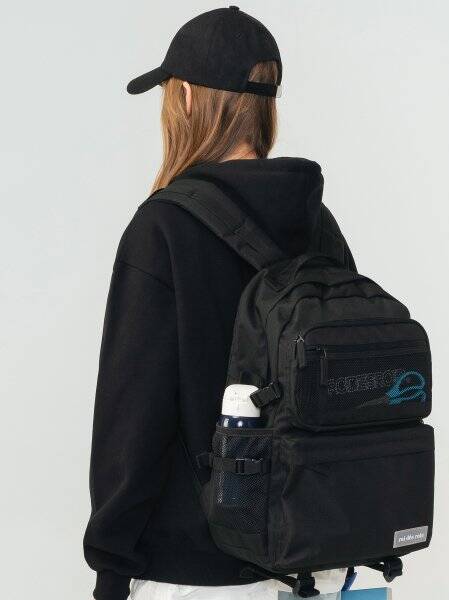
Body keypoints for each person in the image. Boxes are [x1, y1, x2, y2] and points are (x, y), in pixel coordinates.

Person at [84, 6, 346, 600]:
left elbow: (133, 420)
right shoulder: (317, 222)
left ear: (184, 99)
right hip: (315, 562)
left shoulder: (164, 228)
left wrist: (111, 569)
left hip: (197, 571)